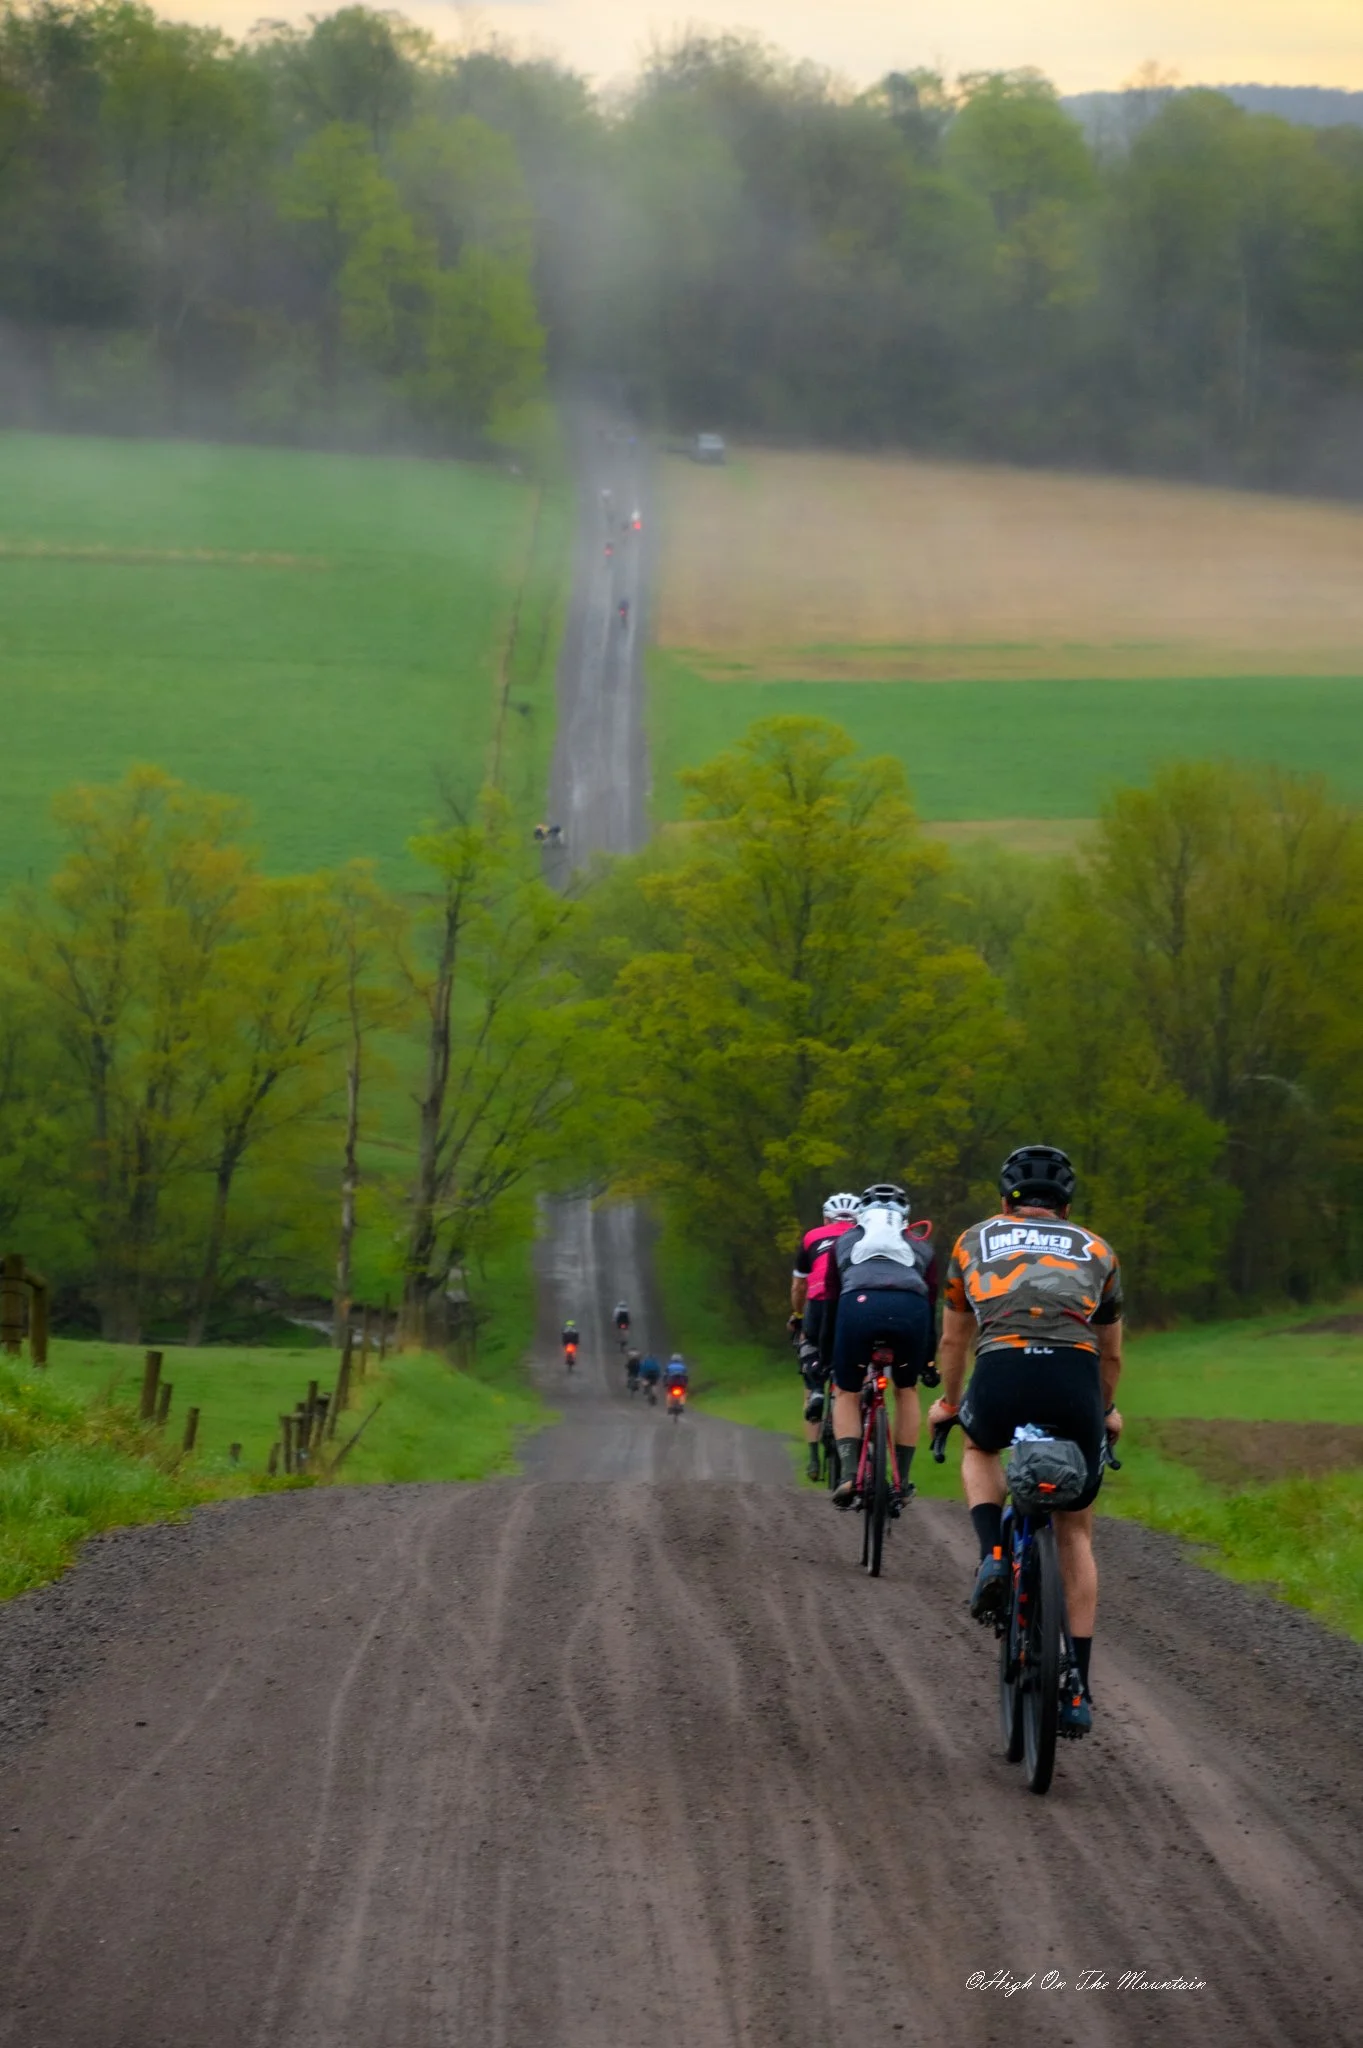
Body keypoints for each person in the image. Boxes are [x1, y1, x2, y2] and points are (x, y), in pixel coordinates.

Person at [927, 1145, 1124, 1735]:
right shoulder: (1099, 1249)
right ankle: (1077, 1689)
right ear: (1066, 1203)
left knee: (979, 1446)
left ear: (1005, 1198)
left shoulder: (971, 1241)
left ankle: (992, 1556)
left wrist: (949, 1404)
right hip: (1073, 1379)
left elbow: (955, 1343)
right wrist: (1107, 1411)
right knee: (1075, 1526)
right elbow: (1110, 1350)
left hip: (1002, 1370)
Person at [821, 1183, 937, 1508]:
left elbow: (830, 1302)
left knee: (846, 1391)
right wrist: (928, 1361)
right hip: (910, 1311)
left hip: (857, 1306)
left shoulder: (844, 1241)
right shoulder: (922, 1246)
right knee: (906, 1389)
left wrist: (825, 1351)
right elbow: (930, 1306)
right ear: (905, 1217)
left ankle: (847, 1475)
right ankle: (902, 1479)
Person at [790, 1193, 862, 1480]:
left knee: (812, 1364)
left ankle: (812, 1459)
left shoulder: (812, 1238)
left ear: (825, 1219)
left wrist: (797, 1317)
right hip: (856, 1302)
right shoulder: (864, 1235)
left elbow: (798, 1286)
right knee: (856, 1375)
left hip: (819, 1305)